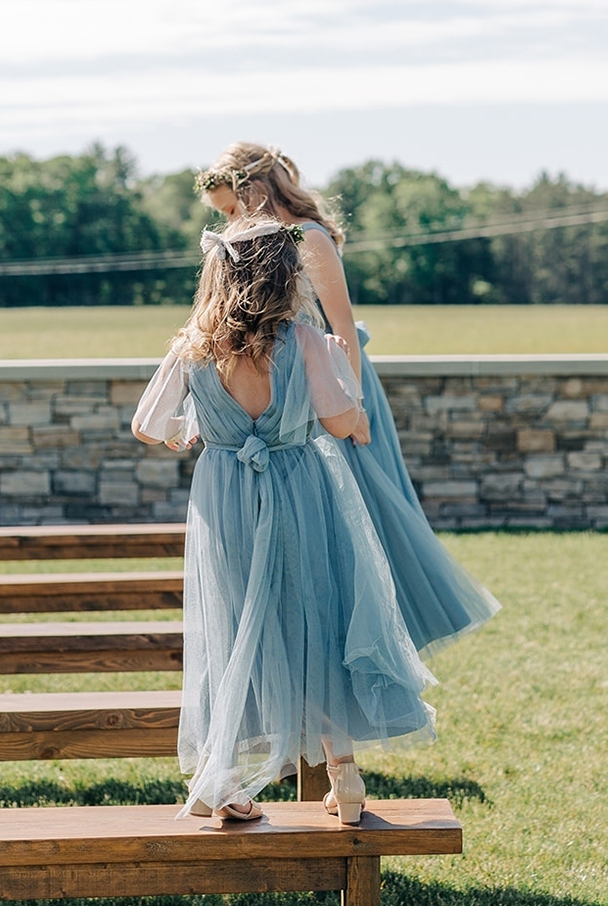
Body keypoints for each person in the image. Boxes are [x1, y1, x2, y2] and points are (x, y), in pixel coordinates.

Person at [132, 217, 437, 824]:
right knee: (314, 618)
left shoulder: (194, 345)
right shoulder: (304, 341)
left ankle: (220, 778)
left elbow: (148, 424)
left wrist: (199, 430)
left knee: (235, 622)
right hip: (300, 493)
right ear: (286, 275)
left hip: (225, 503)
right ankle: (344, 778)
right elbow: (340, 421)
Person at [195, 143, 501, 660]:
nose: (228, 222)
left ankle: (370, 640)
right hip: (296, 394)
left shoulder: (309, 239)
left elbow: (342, 329)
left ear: (253, 191)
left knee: (363, 516)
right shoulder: (260, 250)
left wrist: (354, 409)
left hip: (337, 387)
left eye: (229, 210)